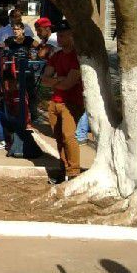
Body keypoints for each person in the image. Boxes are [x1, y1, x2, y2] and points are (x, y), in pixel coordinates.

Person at [40, 20, 84, 184]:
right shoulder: (56, 55)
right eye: (58, 35)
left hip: (71, 102)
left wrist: (56, 80)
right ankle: (63, 168)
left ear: (72, 36)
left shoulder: (76, 56)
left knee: (68, 136)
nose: (59, 38)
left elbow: (69, 84)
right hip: (55, 102)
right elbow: (44, 79)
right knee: (59, 138)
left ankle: (74, 172)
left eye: (63, 35)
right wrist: (59, 80)